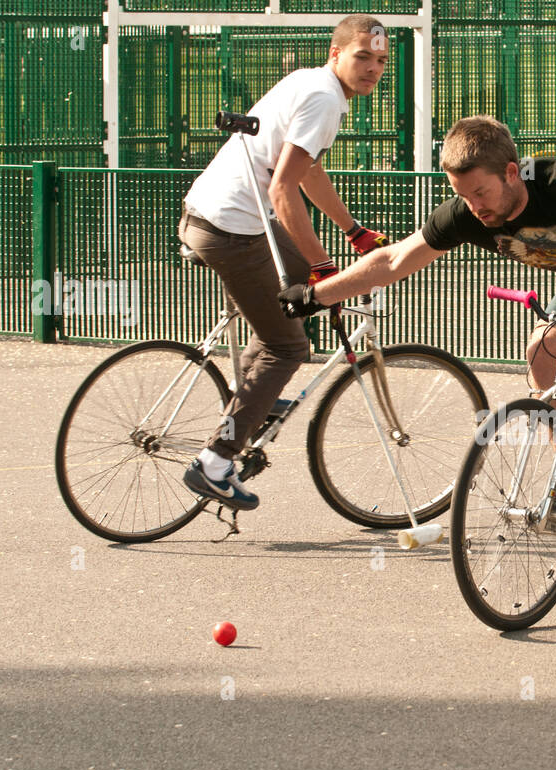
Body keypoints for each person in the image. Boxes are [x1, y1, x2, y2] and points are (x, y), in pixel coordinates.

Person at [280, 115, 556, 526]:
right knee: (543, 350)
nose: (474, 207)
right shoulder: (467, 213)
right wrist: (315, 294)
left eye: (480, 193)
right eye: (463, 195)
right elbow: (392, 261)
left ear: (510, 172)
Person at [178, 14, 392, 511]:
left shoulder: (311, 83)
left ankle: (250, 400)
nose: (373, 69)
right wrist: (322, 267)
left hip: (214, 214)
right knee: (287, 346)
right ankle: (215, 460)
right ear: (336, 53)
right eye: (363, 56)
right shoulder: (324, 99)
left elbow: (306, 170)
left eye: (381, 60)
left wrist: (351, 230)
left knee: (297, 289)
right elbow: (283, 189)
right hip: (231, 229)